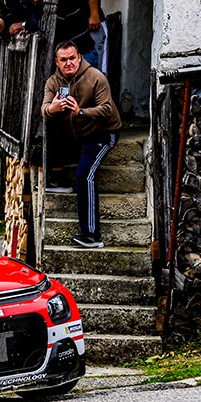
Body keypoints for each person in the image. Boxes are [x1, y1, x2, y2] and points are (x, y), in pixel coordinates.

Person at [41, 40, 122, 248]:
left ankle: (92, 236)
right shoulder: (53, 82)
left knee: (84, 175)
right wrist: (54, 108)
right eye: (63, 60)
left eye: (72, 58)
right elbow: (44, 109)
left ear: (79, 58)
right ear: (57, 62)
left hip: (102, 132)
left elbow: (107, 110)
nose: (68, 63)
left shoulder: (95, 77)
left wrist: (80, 111)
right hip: (77, 134)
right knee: (49, 122)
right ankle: (60, 179)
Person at [14, 0, 108, 73]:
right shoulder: (41, 2)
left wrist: (94, 14)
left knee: (98, 75)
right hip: (72, 52)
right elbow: (17, 8)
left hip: (89, 38)